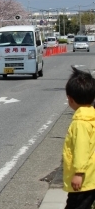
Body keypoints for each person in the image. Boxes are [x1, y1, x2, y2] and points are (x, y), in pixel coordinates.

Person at [63, 66, 95, 209]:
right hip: (91, 176)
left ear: (70, 99)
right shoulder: (91, 116)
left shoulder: (80, 122)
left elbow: (81, 148)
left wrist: (78, 173)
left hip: (83, 180)